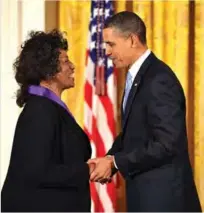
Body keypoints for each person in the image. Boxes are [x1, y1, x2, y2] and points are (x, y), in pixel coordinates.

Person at [88, 11, 202, 212]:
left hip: (164, 201)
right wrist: (109, 160)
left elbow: (167, 144)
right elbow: (135, 133)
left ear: (132, 40)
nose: (107, 52)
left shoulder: (159, 79)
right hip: (147, 197)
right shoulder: (139, 76)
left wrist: (115, 161)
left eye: (111, 44)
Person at [1, 30, 94, 212]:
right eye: (66, 61)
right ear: (48, 69)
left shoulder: (49, 108)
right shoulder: (40, 110)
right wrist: (87, 170)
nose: (73, 66)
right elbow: (37, 172)